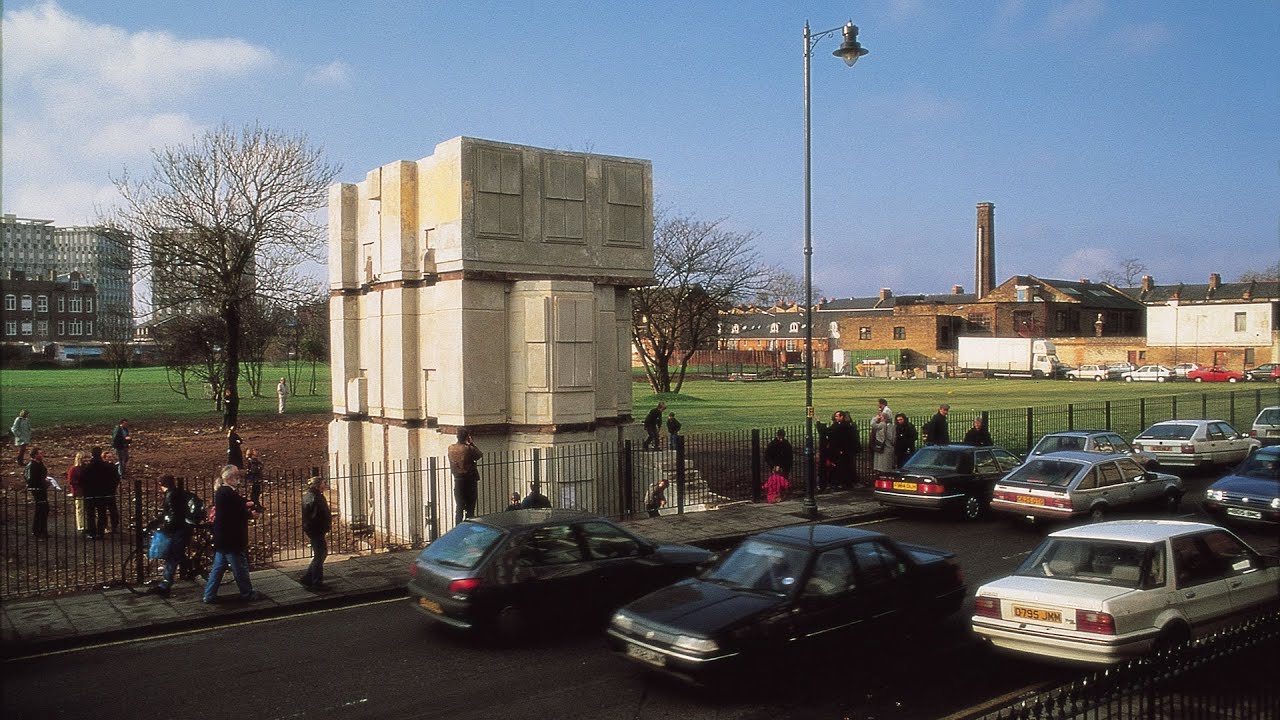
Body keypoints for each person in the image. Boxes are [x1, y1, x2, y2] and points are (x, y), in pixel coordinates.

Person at [203, 465, 262, 604]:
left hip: (222, 539)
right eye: (236, 475)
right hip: (232, 539)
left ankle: (209, 595)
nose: (239, 478)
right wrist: (250, 514)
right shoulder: (227, 493)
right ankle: (247, 593)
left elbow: (237, 505)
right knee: (240, 568)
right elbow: (235, 514)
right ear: (229, 478)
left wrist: (247, 504)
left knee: (217, 569)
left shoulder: (224, 492)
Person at [148, 475, 190, 597]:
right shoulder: (177, 493)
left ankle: (165, 585)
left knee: (172, 556)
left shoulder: (171, 495)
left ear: (162, 485)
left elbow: (172, 515)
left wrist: (164, 526)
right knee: (177, 554)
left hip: (178, 529)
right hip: (183, 528)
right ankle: (189, 570)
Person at [300, 475, 331, 589]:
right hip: (317, 529)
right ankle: (316, 582)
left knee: (320, 553)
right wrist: (324, 526)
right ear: (318, 485)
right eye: (323, 483)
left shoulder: (308, 495)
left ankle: (308, 577)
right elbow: (318, 515)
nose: (325, 485)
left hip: (312, 529)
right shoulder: (316, 498)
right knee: (320, 554)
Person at [447, 428, 483, 524]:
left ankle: (458, 527)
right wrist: (471, 443)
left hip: (458, 480)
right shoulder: (468, 449)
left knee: (459, 507)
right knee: (470, 508)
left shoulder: (451, 448)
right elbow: (479, 455)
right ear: (466, 437)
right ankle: (468, 526)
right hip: (470, 480)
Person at [82, 446, 115, 539]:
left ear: (92, 454)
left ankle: (92, 532)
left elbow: (82, 480)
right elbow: (113, 478)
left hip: (90, 493)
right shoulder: (106, 466)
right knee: (102, 513)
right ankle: (101, 532)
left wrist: (85, 489)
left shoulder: (88, 467)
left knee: (90, 514)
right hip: (103, 492)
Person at [827, 411, 862, 488]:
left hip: (844, 450)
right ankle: (846, 482)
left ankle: (844, 482)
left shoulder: (844, 427)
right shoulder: (845, 426)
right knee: (846, 466)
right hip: (845, 450)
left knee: (845, 466)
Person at [25, 448, 50, 538]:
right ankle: (37, 530)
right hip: (37, 489)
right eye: (40, 453)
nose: (42, 455)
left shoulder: (40, 464)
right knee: (40, 508)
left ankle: (43, 529)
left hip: (42, 488)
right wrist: (41, 482)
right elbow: (30, 479)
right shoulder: (31, 465)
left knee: (44, 508)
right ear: (35, 455)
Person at [67, 451, 89, 534]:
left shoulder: (87, 468)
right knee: (80, 509)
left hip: (87, 491)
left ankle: (88, 525)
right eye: (84, 458)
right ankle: (81, 526)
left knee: (88, 509)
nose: (86, 460)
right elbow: (71, 481)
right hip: (79, 491)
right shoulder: (74, 469)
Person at [101, 449, 122, 534]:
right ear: (104, 458)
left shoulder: (113, 466)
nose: (110, 458)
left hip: (110, 491)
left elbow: (117, 478)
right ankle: (106, 526)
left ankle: (114, 526)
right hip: (105, 491)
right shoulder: (106, 467)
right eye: (108, 457)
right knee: (105, 509)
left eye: (111, 457)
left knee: (112, 509)